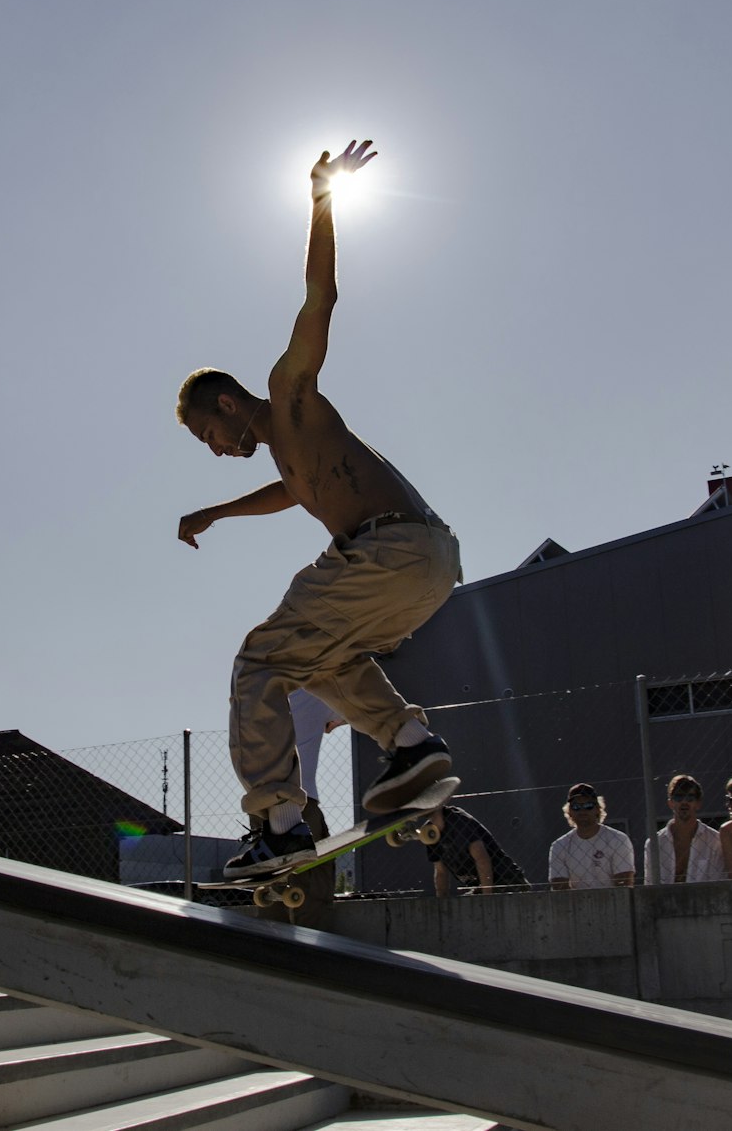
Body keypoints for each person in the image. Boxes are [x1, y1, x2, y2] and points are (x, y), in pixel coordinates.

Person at [175, 140, 462, 881]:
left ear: (232, 404)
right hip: (425, 562)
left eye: (212, 434)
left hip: (389, 550)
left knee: (260, 660)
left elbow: (320, 300)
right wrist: (217, 512)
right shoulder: (289, 456)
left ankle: (278, 822)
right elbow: (291, 492)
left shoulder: (290, 392)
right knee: (320, 657)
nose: (217, 448)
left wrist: (322, 200)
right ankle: (409, 745)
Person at [251, 690, 344, 928]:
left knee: (272, 879)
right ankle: (314, 945)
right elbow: (358, 710)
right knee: (312, 878)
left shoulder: (255, 692)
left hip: (260, 805)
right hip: (301, 800)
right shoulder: (314, 691)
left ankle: (272, 946)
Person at [425, 805, 530, 896]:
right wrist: (441, 905)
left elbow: (482, 859)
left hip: (507, 881)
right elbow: (440, 872)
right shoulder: (428, 832)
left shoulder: (459, 821)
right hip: (480, 887)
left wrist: (486, 899)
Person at [549, 783, 635, 890]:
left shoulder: (618, 839)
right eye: (576, 807)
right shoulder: (559, 846)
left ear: (598, 809)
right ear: (569, 812)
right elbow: (560, 888)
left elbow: (624, 885)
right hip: (575, 905)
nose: (582, 811)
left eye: (588, 806)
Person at [643, 774, 725, 885]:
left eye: (690, 798)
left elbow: (719, 883)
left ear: (698, 803)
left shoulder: (714, 840)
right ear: (670, 803)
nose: (684, 802)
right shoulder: (654, 844)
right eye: (678, 797)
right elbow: (650, 885)